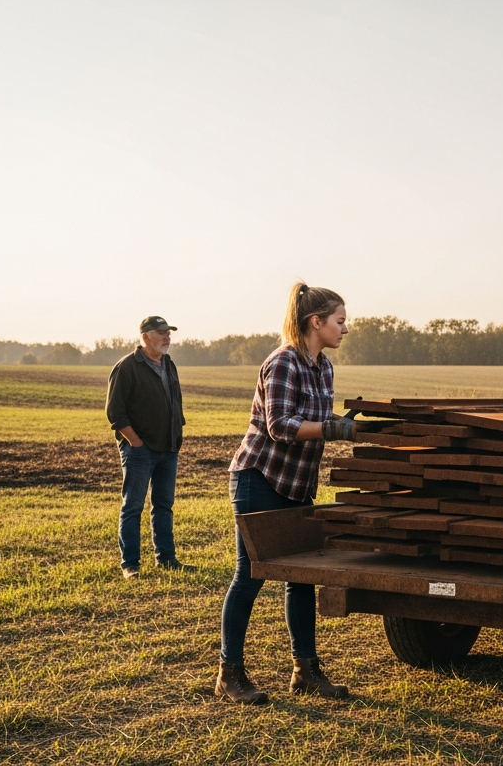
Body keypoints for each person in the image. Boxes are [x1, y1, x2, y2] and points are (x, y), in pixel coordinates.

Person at [215, 282, 358, 705]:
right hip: (259, 478)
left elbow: (316, 419)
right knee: (250, 576)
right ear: (316, 322)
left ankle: (305, 671)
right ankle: (229, 674)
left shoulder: (324, 367)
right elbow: (280, 425)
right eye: (340, 321)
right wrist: (332, 429)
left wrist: (345, 423)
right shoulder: (283, 362)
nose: (345, 329)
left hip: (296, 483)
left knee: (301, 577)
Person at [105, 316, 188, 579]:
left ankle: (166, 559)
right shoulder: (127, 367)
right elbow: (115, 412)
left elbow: (175, 401)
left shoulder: (169, 364)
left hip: (168, 448)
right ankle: (130, 564)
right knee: (133, 506)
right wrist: (136, 442)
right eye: (161, 333)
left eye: (168, 333)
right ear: (145, 337)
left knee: (163, 505)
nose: (167, 337)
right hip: (140, 451)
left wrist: (177, 434)